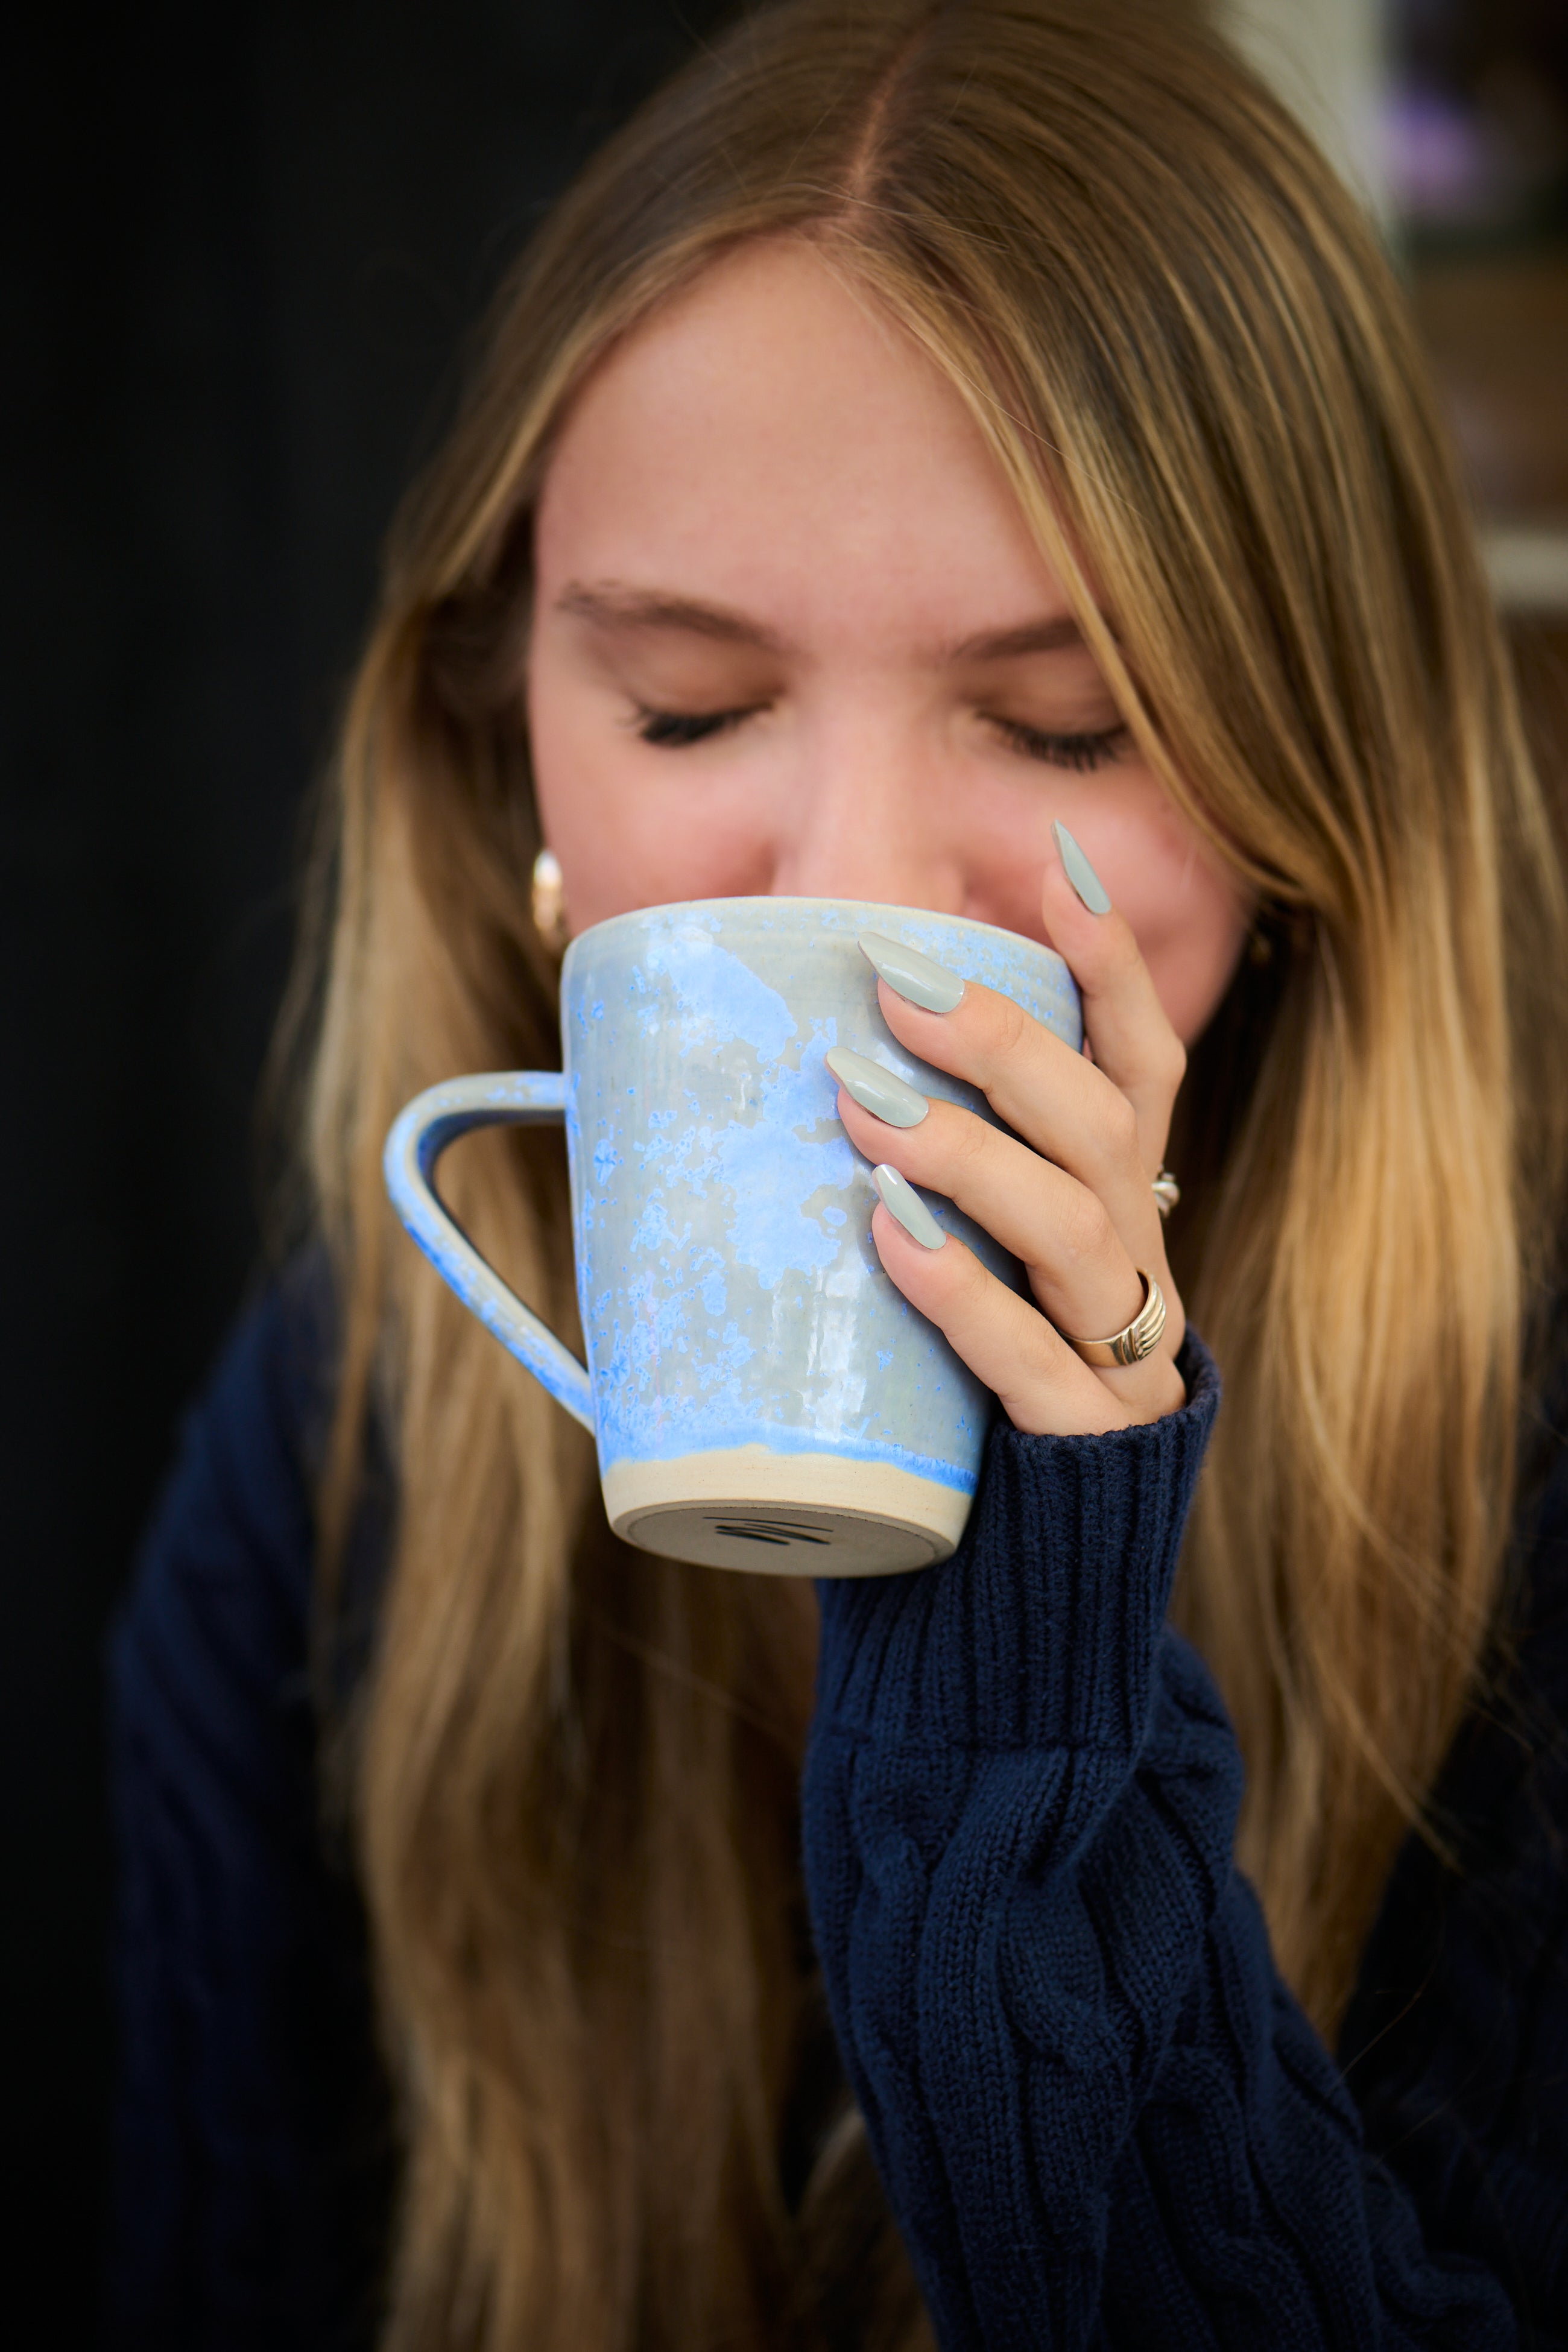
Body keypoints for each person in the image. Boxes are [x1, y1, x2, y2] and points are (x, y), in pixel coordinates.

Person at [107, 1, 1568, 2345]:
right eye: (687, 707)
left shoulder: (1526, 1488)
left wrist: (1019, 1680)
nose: (867, 880)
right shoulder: (332, 1470)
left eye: (1069, 721)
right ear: (516, 778)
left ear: (1312, 794)